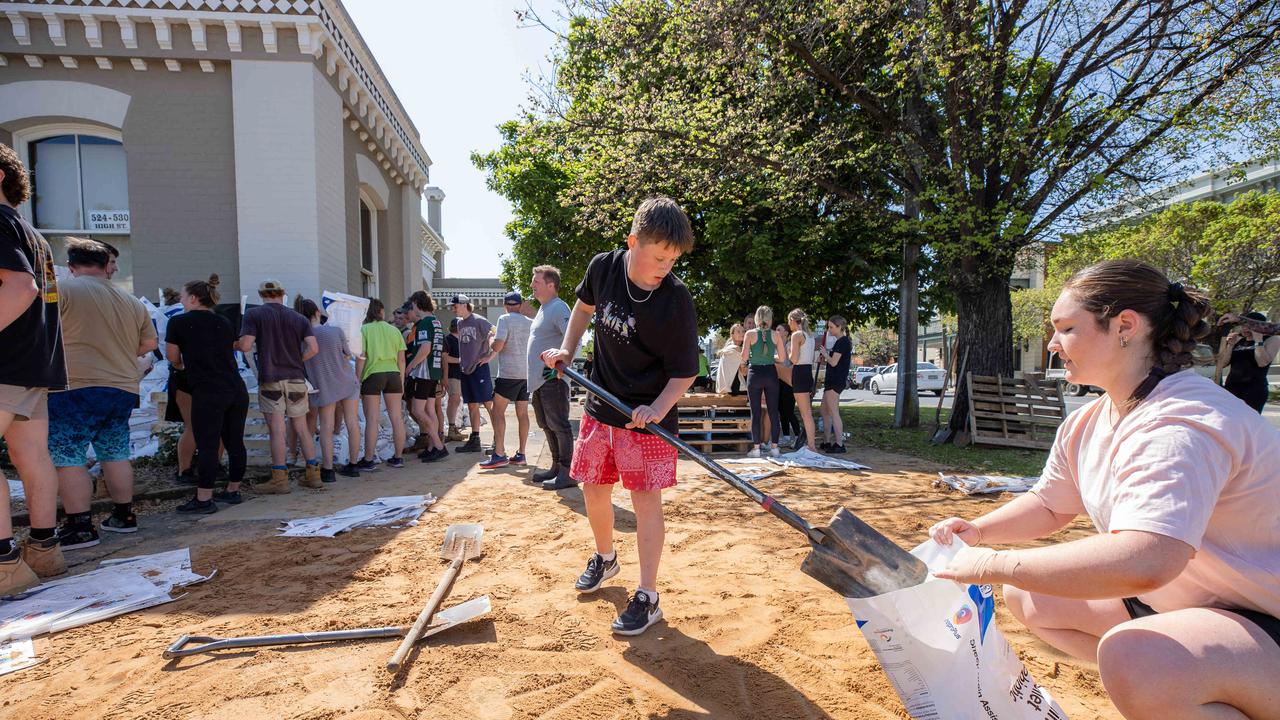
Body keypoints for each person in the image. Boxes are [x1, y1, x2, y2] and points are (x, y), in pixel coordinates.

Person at [929, 260, 1280, 720]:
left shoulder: (1181, 422)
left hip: (1264, 616)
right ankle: (1185, 687)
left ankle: (1183, 682)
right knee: (1030, 597)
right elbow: (1049, 504)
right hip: (1203, 605)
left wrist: (997, 564)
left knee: (1135, 657)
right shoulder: (1088, 421)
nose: (1053, 345)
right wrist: (977, 531)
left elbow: (1148, 558)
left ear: (1125, 327)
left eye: (1066, 329)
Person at [542, 196, 699, 636]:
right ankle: (606, 558)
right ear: (633, 243)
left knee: (645, 502)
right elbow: (583, 309)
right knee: (593, 488)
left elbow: (685, 373)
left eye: (673, 259)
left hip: (647, 417)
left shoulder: (675, 300)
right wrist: (568, 350)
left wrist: (656, 408)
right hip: (601, 406)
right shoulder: (603, 268)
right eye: (659, 256)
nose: (665, 266)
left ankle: (647, 596)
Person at [47, 238, 157, 548]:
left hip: (75, 384)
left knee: (69, 456)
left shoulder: (62, 290)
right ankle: (124, 515)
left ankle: (80, 526)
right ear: (106, 266)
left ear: (71, 266)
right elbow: (148, 345)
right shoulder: (132, 301)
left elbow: (41, 330)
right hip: (121, 386)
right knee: (116, 452)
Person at [0, 142, 68, 593]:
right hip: (31, 363)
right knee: (32, 456)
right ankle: (44, 551)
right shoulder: (31, 232)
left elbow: (20, 288)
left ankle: (5, 563)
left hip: (5, 362)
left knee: (30, 457)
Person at [165, 277, 249, 514]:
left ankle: (204, 499)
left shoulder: (178, 322)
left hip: (208, 390)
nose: (181, 300)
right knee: (235, 442)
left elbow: (172, 358)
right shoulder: (223, 321)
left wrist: (184, 366)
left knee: (208, 444)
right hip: (235, 387)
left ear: (192, 298)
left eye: (183, 296)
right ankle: (233, 490)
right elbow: (231, 347)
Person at [237, 279, 320, 493]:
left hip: (271, 378)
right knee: (302, 428)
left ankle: (280, 479)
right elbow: (313, 348)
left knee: (276, 430)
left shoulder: (254, 315)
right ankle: (313, 475)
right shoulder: (299, 318)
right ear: (282, 294)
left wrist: (233, 343)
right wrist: (297, 360)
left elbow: (246, 345)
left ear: (261, 295)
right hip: (296, 379)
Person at [299, 299, 362, 480]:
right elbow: (348, 354)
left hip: (325, 385)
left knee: (326, 427)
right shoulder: (336, 331)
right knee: (352, 423)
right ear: (318, 312)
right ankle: (353, 464)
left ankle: (328, 470)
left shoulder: (303, 338)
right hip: (347, 381)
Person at [526, 265, 576, 490]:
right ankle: (557, 467)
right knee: (546, 424)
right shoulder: (544, 309)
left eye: (536, 282)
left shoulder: (558, 307)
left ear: (550, 284)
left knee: (559, 425)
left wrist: (562, 366)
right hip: (540, 380)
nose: (532, 286)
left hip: (552, 378)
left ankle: (568, 472)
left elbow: (573, 338)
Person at [482, 291, 533, 469]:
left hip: (508, 374)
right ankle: (522, 454)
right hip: (526, 374)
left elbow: (498, 345)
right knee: (523, 413)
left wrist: (490, 338)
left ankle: (499, 453)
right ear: (520, 305)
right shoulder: (530, 322)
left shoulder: (504, 320)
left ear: (505, 305)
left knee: (497, 412)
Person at [356, 299, 408, 470]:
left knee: (372, 419)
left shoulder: (363, 330)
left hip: (373, 374)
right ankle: (398, 457)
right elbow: (401, 359)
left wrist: (358, 379)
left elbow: (362, 356)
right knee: (396, 418)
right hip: (393, 374)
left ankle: (369, 459)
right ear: (381, 311)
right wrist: (401, 381)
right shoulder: (394, 331)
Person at [404, 291, 448, 463]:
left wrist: (410, 366)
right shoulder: (436, 321)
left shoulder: (424, 323)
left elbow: (425, 349)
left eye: (413, 304)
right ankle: (432, 446)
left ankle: (438, 445)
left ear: (417, 303)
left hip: (423, 372)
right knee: (430, 410)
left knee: (417, 410)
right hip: (434, 371)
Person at [452, 294, 495, 454]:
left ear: (464, 305)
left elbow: (494, 334)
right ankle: (475, 439)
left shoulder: (479, 320)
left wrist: (490, 356)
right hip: (466, 369)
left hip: (479, 368)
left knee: (488, 403)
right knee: (471, 405)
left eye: (455, 306)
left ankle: (498, 439)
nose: (453, 309)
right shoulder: (460, 323)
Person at [1215, 310, 1277, 413]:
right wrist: (1230, 345)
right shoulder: (1239, 340)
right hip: (1232, 387)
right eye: (1243, 325)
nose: (1245, 328)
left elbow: (1262, 362)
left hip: (1253, 390)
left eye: (1249, 326)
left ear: (1259, 327)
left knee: (1248, 424)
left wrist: (1258, 340)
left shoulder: (1272, 340)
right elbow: (1223, 364)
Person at [743, 306, 785, 458]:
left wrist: (756, 358)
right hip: (771, 373)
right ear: (770, 318)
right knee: (773, 412)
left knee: (755, 412)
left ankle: (756, 449)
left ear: (757, 319)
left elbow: (744, 357)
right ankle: (774, 448)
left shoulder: (750, 334)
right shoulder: (776, 335)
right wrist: (769, 358)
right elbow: (782, 358)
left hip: (754, 373)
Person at [817, 316, 851, 453]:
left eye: (831, 327)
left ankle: (839, 443)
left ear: (839, 327)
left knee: (833, 412)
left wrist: (825, 354)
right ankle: (826, 441)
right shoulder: (839, 342)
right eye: (828, 327)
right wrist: (824, 358)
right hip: (831, 380)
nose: (829, 330)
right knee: (824, 411)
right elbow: (833, 362)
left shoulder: (843, 342)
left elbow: (834, 362)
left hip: (836, 381)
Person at [787, 310, 818, 452]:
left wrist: (785, 353)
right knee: (807, 413)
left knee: (805, 413)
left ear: (793, 320)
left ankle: (811, 446)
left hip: (799, 372)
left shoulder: (797, 335)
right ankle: (811, 444)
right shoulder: (810, 336)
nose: (788, 324)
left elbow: (793, 359)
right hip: (807, 372)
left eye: (789, 320)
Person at [774, 323, 800, 448]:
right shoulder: (775, 346)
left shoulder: (790, 345)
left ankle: (798, 436)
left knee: (789, 410)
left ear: (786, 332)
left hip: (788, 380)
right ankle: (786, 437)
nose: (776, 331)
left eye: (779, 329)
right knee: (781, 410)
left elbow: (791, 362)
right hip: (778, 380)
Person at [442, 317, 464, 441]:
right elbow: (445, 358)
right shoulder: (448, 339)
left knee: (457, 401)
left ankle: (453, 426)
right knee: (454, 399)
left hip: (462, 375)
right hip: (451, 374)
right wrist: (460, 360)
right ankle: (451, 427)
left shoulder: (463, 340)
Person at [714, 323, 745, 395]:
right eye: (738, 331)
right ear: (732, 335)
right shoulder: (736, 349)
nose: (742, 333)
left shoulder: (728, 347)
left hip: (727, 387)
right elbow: (744, 371)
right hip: (734, 387)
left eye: (743, 331)